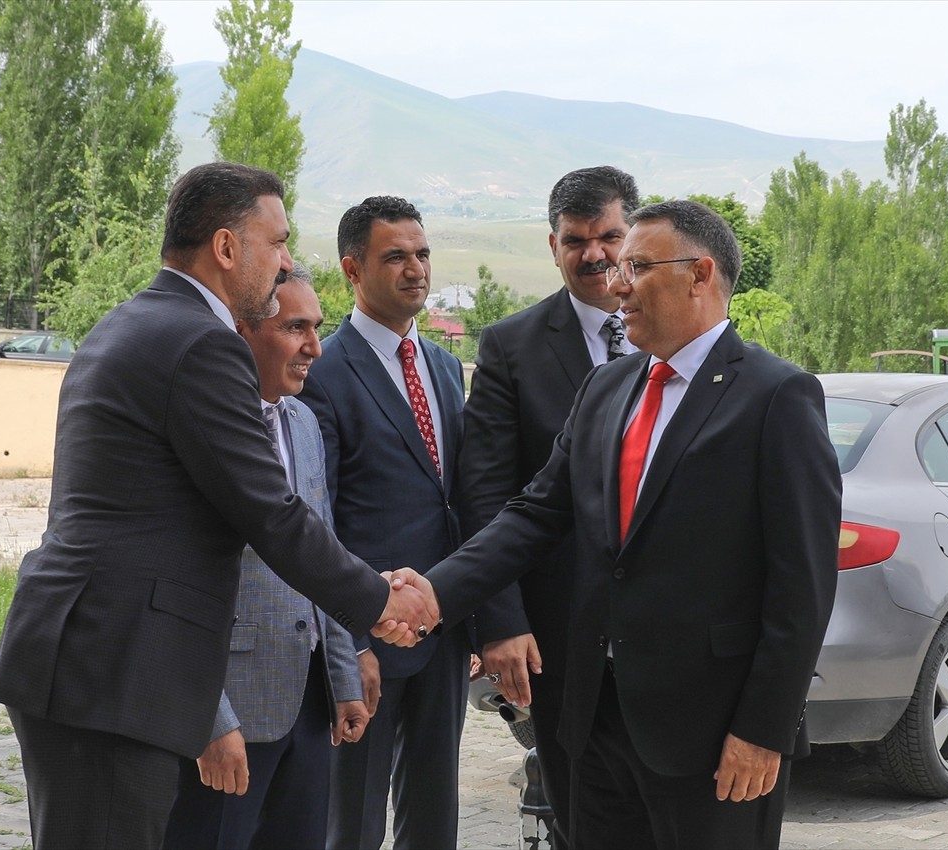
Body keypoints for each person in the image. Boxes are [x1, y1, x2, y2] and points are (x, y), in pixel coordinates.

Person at [0, 163, 435, 850]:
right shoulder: (203, 343)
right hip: (116, 667)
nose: (285, 261)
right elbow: (271, 513)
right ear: (227, 249)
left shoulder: (136, 321)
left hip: (90, 658)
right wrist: (377, 598)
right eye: (277, 243)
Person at [400, 200, 842, 849]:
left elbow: (801, 589)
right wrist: (435, 594)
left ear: (700, 274)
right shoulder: (608, 388)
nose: (615, 283)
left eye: (636, 265)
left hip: (712, 737)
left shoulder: (777, 397)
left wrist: (764, 730)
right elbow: (532, 515)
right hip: (592, 723)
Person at [460, 165, 639, 850]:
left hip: (669, 639)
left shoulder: (679, 338)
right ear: (552, 245)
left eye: (609, 236)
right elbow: (486, 492)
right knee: (581, 818)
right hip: (559, 639)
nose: (594, 254)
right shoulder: (510, 346)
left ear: (633, 235)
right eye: (575, 240)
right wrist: (499, 621)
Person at [162, 264, 370, 849]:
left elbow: (319, 550)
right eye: (295, 327)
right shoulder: (201, 421)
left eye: (317, 327)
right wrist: (210, 717)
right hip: (229, 706)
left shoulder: (303, 420)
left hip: (308, 705)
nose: (315, 347)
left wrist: (343, 674)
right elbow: (175, 575)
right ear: (242, 329)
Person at [296, 196, 469, 850]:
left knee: (434, 818)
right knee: (354, 822)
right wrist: (352, 644)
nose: (415, 269)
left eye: (422, 254)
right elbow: (317, 522)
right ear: (351, 269)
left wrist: (470, 616)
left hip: (441, 632)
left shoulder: (446, 369)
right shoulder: (324, 373)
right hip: (368, 638)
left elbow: (458, 504)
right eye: (394, 256)